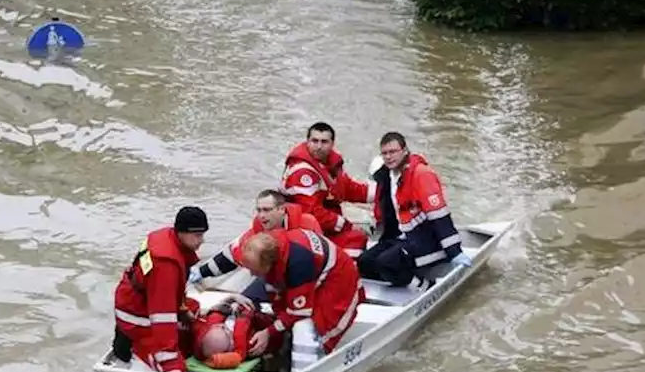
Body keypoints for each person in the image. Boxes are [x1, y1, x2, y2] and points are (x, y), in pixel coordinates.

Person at [239, 228, 362, 372]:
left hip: (339, 280)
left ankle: (306, 371)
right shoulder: (269, 253)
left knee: (313, 328)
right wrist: (278, 326)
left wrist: (269, 332)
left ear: (268, 263)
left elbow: (299, 312)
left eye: (255, 270)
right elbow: (277, 297)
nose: (252, 274)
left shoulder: (299, 261)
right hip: (312, 272)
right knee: (286, 321)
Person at [356, 131, 468, 289]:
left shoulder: (421, 175)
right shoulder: (392, 178)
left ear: (404, 151)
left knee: (386, 262)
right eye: (385, 153)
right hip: (405, 237)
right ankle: (398, 279)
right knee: (364, 262)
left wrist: (454, 252)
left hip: (430, 240)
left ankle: (424, 285)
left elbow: (439, 216)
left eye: (393, 152)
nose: (388, 157)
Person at [111, 206, 210, 372]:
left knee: (193, 311)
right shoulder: (166, 265)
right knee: (178, 371)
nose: (202, 241)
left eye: (202, 234)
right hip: (138, 317)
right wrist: (171, 364)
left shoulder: (165, 237)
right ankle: (137, 351)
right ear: (181, 232)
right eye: (197, 235)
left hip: (136, 301)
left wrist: (183, 309)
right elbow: (162, 316)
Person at [189, 189, 322, 293]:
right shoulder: (257, 232)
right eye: (258, 210)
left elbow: (321, 259)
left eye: (267, 210)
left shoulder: (307, 223)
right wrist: (201, 272)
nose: (262, 215)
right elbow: (231, 255)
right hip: (275, 280)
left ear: (281, 209)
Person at [282, 122, 377, 261]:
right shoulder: (303, 173)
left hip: (324, 224)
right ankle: (341, 270)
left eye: (324, 142)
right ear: (307, 142)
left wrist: (382, 192)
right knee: (356, 239)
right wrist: (346, 225)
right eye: (314, 141)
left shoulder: (330, 164)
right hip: (305, 229)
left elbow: (348, 188)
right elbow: (312, 211)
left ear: (332, 143)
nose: (319, 146)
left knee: (358, 236)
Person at [190, 293, 271, 370]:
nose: (220, 325)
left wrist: (232, 298)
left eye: (215, 328)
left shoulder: (203, 331)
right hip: (253, 307)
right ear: (232, 344)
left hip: (235, 303)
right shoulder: (248, 344)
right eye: (223, 329)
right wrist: (242, 308)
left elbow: (217, 308)